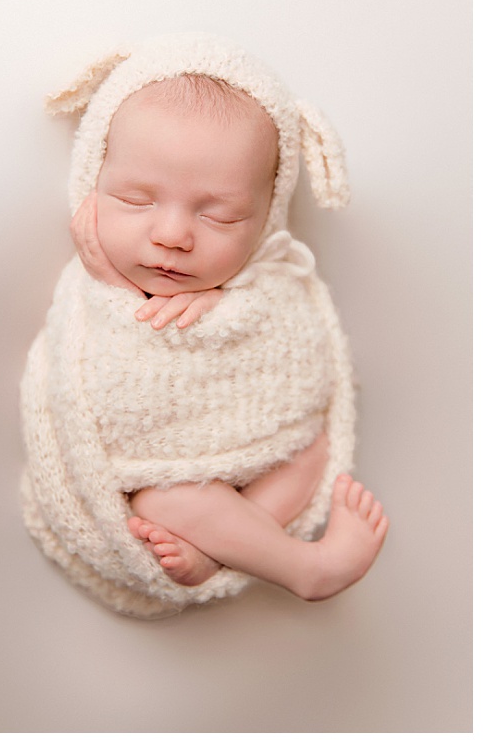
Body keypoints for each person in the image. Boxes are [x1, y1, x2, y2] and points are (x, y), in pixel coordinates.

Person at [69, 72, 388, 601]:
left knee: (312, 450)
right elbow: (108, 363)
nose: (172, 236)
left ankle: (218, 546)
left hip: (260, 460)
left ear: (263, 220)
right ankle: (302, 566)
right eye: (136, 200)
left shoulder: (272, 283)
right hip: (167, 479)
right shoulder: (91, 290)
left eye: (219, 215)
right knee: (159, 501)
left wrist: (229, 303)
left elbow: (286, 348)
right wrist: (110, 280)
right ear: (93, 182)